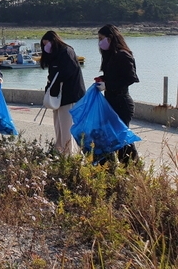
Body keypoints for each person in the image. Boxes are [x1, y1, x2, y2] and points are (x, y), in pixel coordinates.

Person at [96, 24, 140, 165]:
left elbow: (130, 78)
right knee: (111, 137)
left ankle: (132, 168)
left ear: (110, 38)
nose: (99, 41)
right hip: (111, 101)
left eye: (101, 38)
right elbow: (114, 76)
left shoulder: (123, 55)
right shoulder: (110, 55)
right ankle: (112, 168)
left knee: (122, 139)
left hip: (122, 103)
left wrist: (108, 85)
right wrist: (103, 79)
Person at [39, 31, 86, 155]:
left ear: (54, 41)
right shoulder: (54, 55)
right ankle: (60, 150)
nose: (45, 47)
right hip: (58, 98)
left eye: (46, 43)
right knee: (59, 126)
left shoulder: (66, 52)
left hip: (70, 96)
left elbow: (67, 73)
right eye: (43, 45)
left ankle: (69, 153)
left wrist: (54, 81)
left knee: (67, 127)